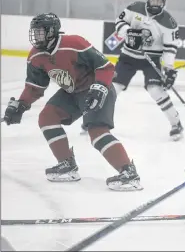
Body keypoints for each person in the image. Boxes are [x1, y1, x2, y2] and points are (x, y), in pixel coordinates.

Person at [3, 13, 142, 191]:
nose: (36, 37)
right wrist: (21, 105)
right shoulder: (35, 56)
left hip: (96, 89)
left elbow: (105, 67)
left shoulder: (74, 44)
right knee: (47, 117)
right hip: (72, 92)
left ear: (52, 32)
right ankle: (67, 164)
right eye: (34, 32)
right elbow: (34, 87)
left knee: (97, 131)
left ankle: (128, 172)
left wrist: (99, 88)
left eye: (40, 32)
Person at [81, 0, 183, 141]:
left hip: (151, 59)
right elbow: (120, 21)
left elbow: (170, 48)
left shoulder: (169, 23)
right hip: (128, 57)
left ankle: (176, 123)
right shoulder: (134, 7)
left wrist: (168, 68)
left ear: (163, 1)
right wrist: (128, 32)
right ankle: (93, 120)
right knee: (113, 88)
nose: (156, 2)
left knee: (156, 90)